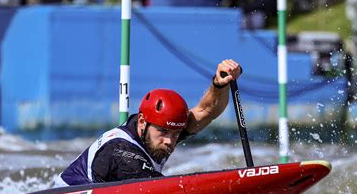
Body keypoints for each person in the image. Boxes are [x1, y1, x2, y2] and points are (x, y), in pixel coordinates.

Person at [54, 59, 242, 187]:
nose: (169, 141)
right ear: (143, 121)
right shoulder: (122, 153)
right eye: (163, 132)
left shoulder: (160, 131)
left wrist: (220, 84)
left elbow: (206, 111)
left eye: (175, 133)